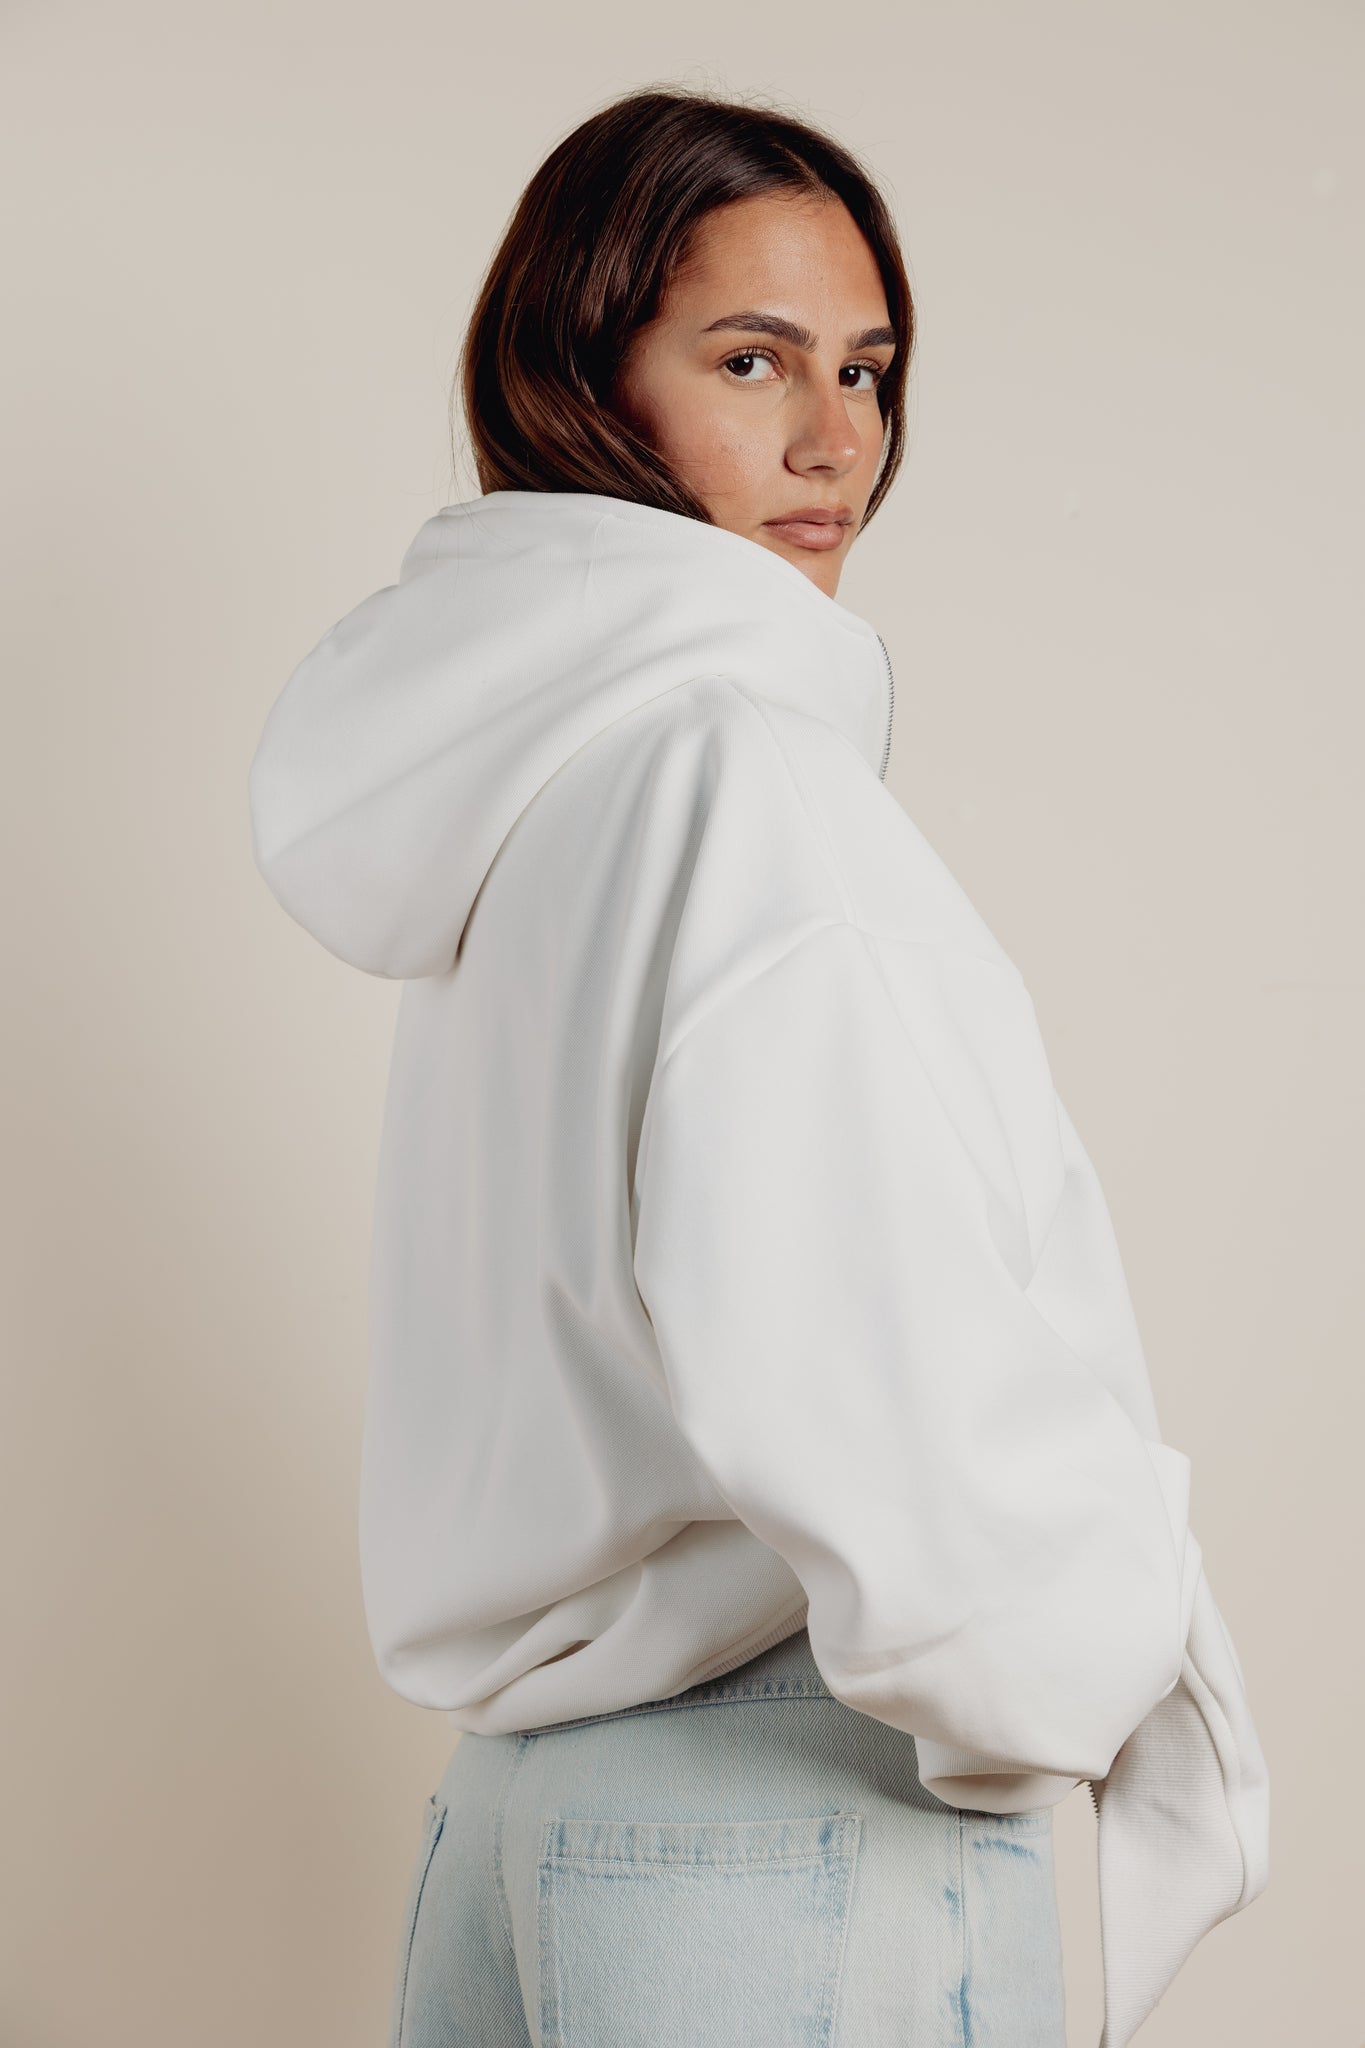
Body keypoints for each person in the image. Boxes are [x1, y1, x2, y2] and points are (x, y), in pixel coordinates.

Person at [247, 85, 1269, 2048]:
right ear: (584, 381)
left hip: (516, 1813)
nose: (833, 441)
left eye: (863, 370)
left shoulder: (526, 811)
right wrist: (1082, 1658)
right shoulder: (742, 782)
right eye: (749, 361)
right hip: (781, 1818)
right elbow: (859, 1333)